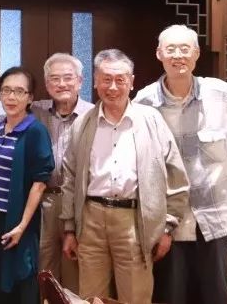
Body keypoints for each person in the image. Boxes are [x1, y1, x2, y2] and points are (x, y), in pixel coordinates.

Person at [134, 24, 227, 304]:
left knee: (215, 296)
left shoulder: (219, 93)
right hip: (169, 223)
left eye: (185, 49)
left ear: (197, 54)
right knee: (171, 295)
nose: (178, 55)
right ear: (159, 54)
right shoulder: (144, 102)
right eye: (171, 49)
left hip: (216, 219)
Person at [60, 49, 190, 304]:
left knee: (135, 296)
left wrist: (168, 227)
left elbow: (176, 177)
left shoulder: (151, 120)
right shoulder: (83, 123)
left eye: (120, 80)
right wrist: (69, 229)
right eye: (106, 79)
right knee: (91, 297)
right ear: (95, 81)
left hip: (134, 221)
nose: (112, 87)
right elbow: (70, 178)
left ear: (131, 82)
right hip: (90, 219)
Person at [0, 67, 54, 303]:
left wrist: (22, 226)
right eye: (6, 90)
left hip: (18, 220)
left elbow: (39, 183)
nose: (11, 97)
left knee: (21, 279)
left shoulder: (35, 131)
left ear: (30, 98)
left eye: (19, 91)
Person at [31, 53, 93, 291]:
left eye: (68, 78)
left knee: (75, 268)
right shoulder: (35, 111)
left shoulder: (93, 115)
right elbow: (6, 116)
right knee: (44, 270)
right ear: (47, 84)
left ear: (80, 81)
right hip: (44, 201)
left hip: (79, 202)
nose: (62, 84)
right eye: (54, 79)